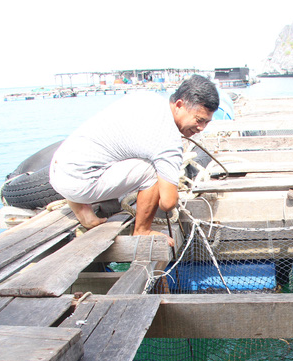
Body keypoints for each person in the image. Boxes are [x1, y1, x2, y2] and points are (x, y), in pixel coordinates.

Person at [49, 75, 220, 245]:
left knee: (110, 152)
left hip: (58, 169)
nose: (201, 128)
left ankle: (83, 211)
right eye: (199, 120)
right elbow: (168, 203)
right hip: (79, 183)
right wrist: (164, 190)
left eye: (207, 122)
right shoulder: (169, 140)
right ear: (179, 105)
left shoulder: (148, 98)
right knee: (153, 171)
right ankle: (142, 230)